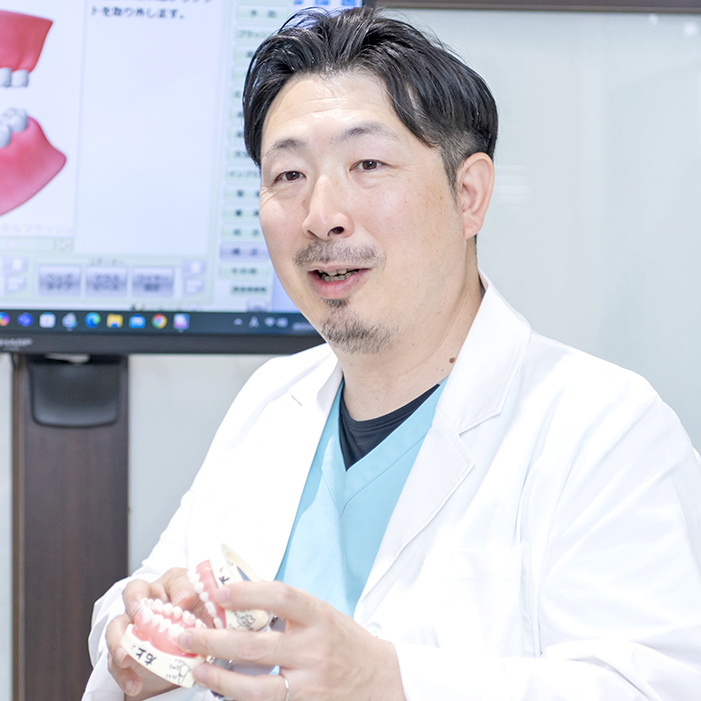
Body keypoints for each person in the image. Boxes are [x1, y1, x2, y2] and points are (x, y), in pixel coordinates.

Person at [82, 7, 701, 701]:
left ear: (469, 194)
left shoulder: (605, 429)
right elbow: (148, 593)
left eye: (368, 164)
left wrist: (387, 679)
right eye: (288, 174)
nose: (321, 215)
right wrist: (133, 635)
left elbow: (656, 685)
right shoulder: (269, 401)